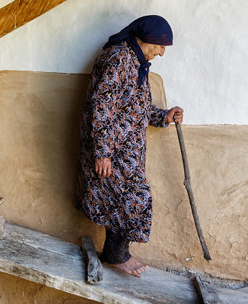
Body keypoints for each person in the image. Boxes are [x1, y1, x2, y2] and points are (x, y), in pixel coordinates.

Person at [76, 15, 184, 277]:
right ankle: (116, 255)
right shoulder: (119, 60)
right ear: (149, 39)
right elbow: (101, 108)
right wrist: (102, 153)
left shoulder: (136, 63)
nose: (161, 53)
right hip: (112, 150)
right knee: (134, 199)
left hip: (127, 151)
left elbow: (137, 109)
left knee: (124, 201)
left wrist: (164, 116)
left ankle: (116, 254)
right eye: (161, 46)